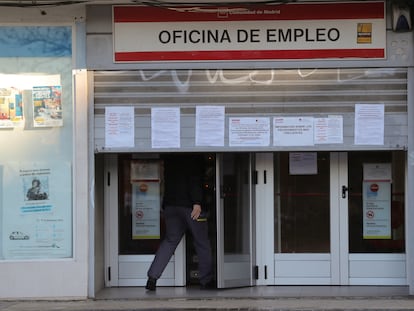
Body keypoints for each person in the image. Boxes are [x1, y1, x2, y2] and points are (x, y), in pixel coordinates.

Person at [146, 154, 215, 291]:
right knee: (202, 242)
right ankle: (206, 281)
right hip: (190, 207)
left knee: (170, 240)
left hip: (171, 205)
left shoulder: (170, 157)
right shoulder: (193, 157)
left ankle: (152, 278)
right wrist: (197, 202)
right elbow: (194, 179)